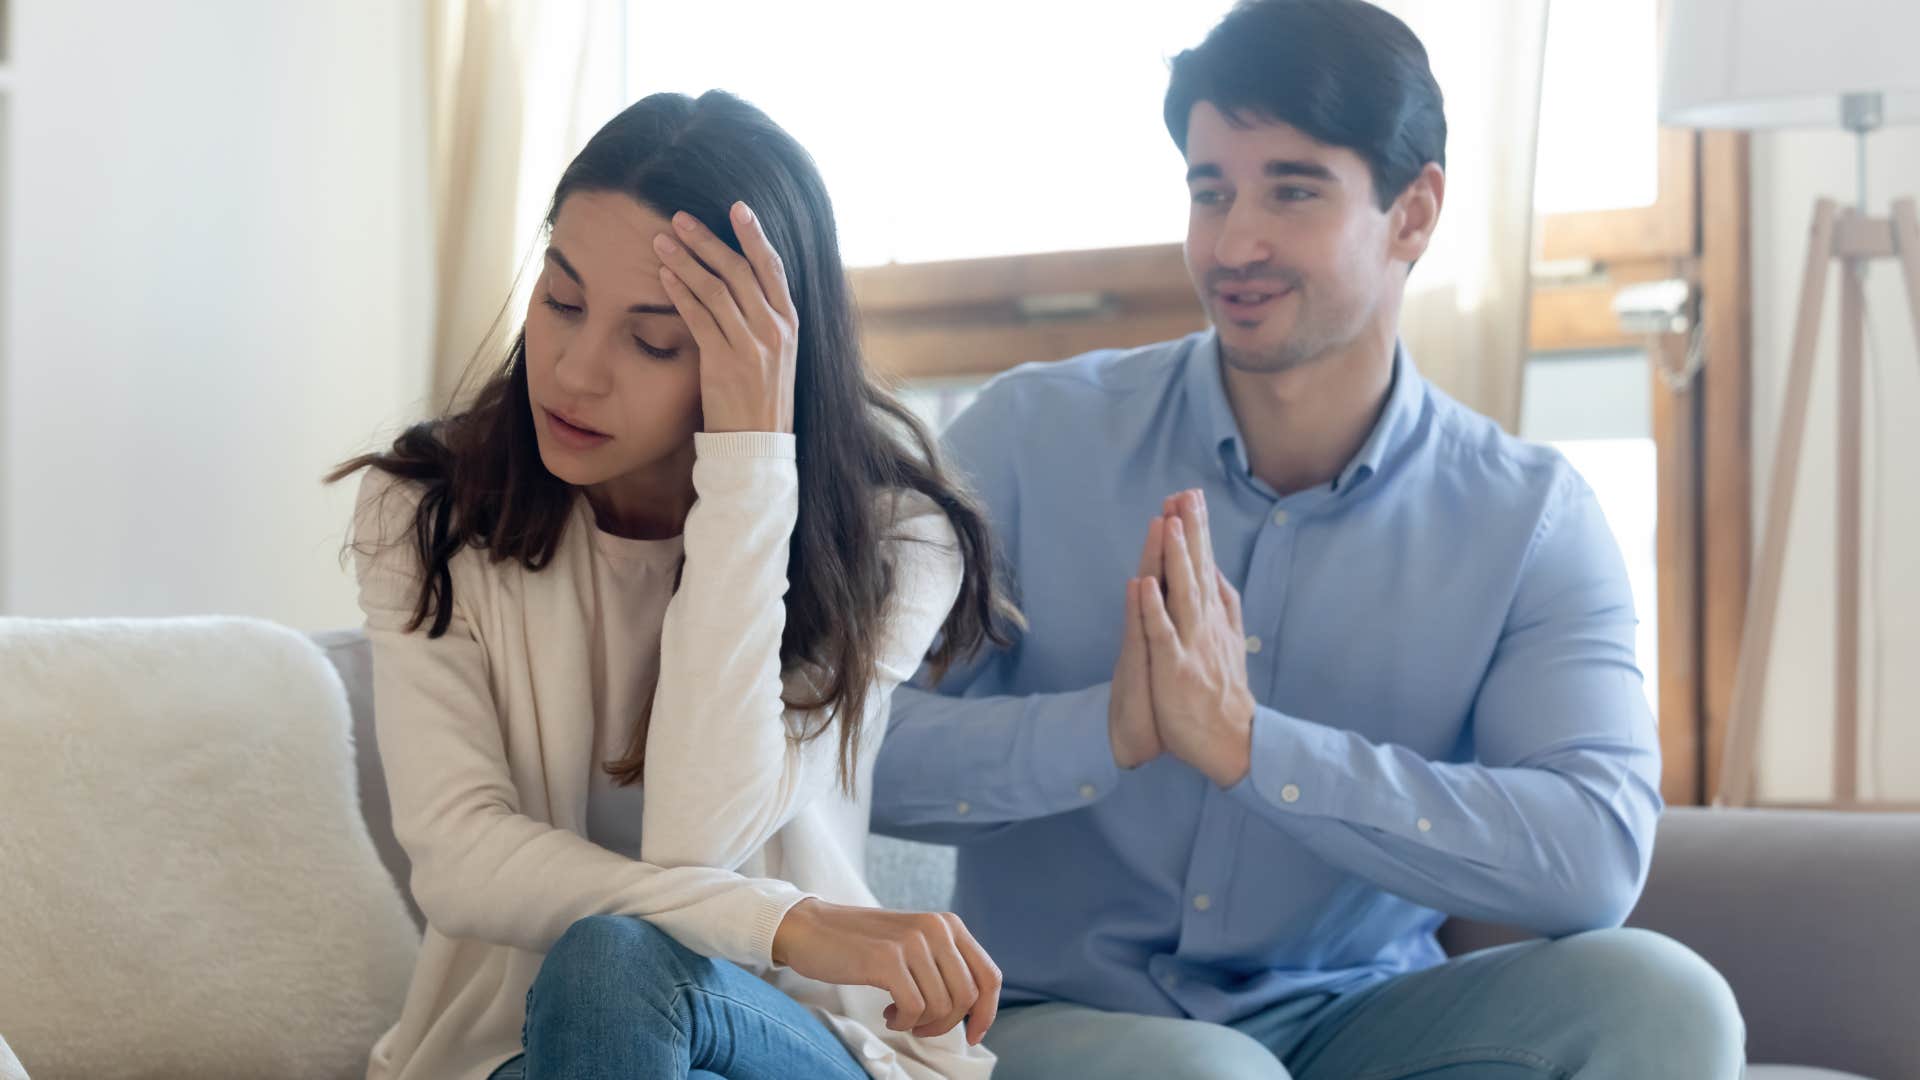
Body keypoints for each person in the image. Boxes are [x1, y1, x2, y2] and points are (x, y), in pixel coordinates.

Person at [872, 2, 1744, 1077]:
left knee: (1668, 1002)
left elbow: (1592, 854)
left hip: (1359, 1018)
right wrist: (1102, 733)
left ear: (1413, 214)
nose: (1237, 244)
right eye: (1211, 191)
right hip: (1054, 1014)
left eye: (1292, 189)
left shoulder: (1529, 518)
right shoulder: (1028, 435)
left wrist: (1253, 750)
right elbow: (837, 749)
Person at [335, 90, 1008, 1080]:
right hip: (524, 1053)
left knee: (619, 967)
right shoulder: (429, 515)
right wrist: (792, 924)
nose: (572, 371)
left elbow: (702, 834)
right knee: (603, 990)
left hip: (802, 1044)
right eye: (561, 302)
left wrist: (746, 464)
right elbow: (462, 858)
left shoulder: (896, 539)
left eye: (654, 341)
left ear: (768, 359)